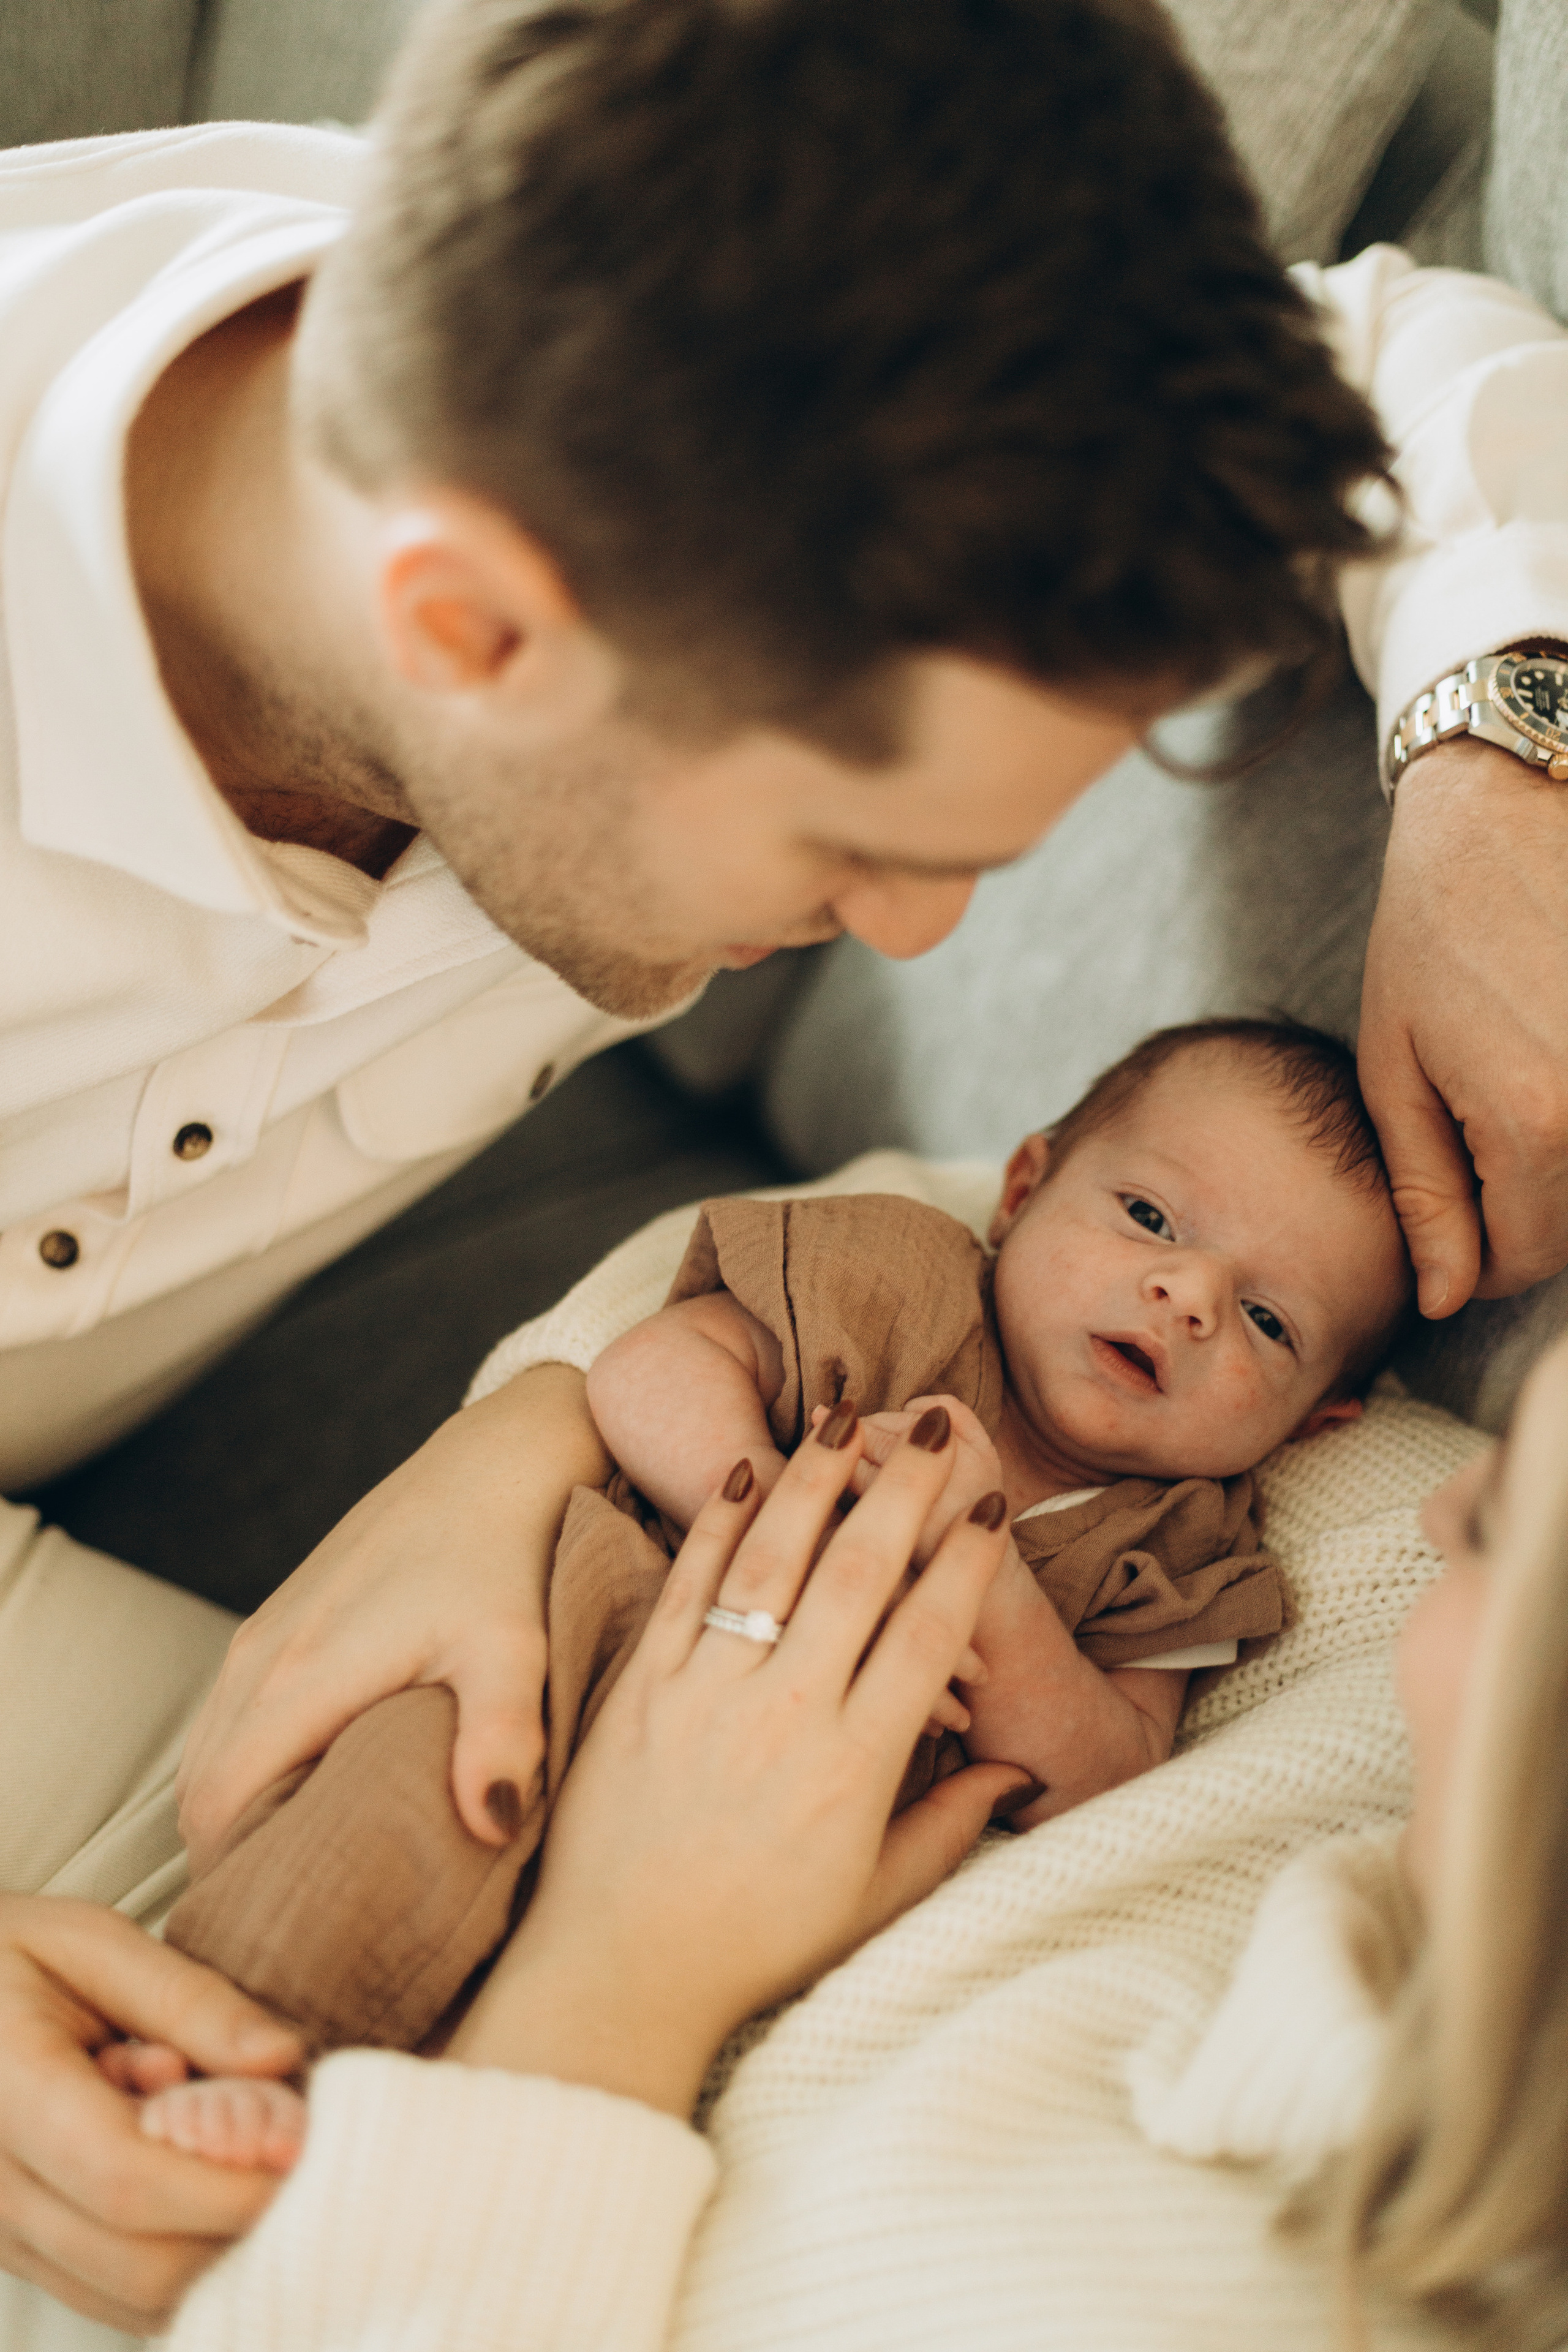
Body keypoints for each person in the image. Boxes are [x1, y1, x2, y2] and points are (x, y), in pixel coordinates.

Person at [7, 0, 1568, 2325]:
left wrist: (1500, 754)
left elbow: (1398, 359)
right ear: (472, 630)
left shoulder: (654, 393)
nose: (918, 929)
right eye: (861, 842)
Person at [133, 1311, 1564, 2349]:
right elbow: (992, 1241)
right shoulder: (1388, 1597)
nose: (1452, 1500)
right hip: (276, 1838)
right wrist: (529, 1431)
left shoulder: (1189, 2297)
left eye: (1499, 1524)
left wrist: (625, 1971)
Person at [116, 1016, 1402, 2166]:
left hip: (777, 1863)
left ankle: (378, 2153)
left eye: (1268, 1324)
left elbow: (1109, 1772)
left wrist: (994, 1596)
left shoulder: (1184, 1551)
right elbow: (648, 1366)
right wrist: (774, 1493)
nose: (1184, 1298)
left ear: (1318, 1421)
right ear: (1022, 1186)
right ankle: (220, 2043)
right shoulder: (898, 1280)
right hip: (575, 1651)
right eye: (1149, 1220)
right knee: (394, 1821)